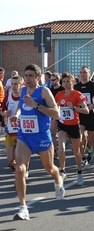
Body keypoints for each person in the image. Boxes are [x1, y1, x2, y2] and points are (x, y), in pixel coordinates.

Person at [12, 64, 65, 220]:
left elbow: (56, 114)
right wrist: (16, 115)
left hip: (41, 136)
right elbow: (21, 107)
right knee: (20, 169)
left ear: (38, 77)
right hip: (24, 136)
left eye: (30, 76)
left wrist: (37, 105)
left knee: (49, 169)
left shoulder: (44, 91)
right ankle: (23, 208)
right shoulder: (22, 91)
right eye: (26, 75)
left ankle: (58, 179)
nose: (27, 79)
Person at [55, 73, 89, 185]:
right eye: (64, 81)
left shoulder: (77, 94)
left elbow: (86, 110)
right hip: (63, 125)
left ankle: (79, 172)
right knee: (61, 149)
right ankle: (63, 171)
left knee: (77, 152)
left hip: (74, 125)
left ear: (73, 82)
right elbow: (55, 108)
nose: (66, 83)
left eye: (68, 81)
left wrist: (74, 108)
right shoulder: (59, 94)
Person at [74, 66, 94, 173]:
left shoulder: (93, 85)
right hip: (80, 115)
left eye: (85, 72)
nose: (82, 74)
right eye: (81, 72)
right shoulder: (76, 87)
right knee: (81, 139)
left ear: (89, 74)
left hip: (91, 116)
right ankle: (83, 159)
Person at [1, 75, 23, 171]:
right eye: (12, 84)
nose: (13, 86)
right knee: (10, 160)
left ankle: (20, 176)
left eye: (16, 84)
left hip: (21, 132)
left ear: (21, 85)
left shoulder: (24, 97)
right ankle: (20, 173)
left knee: (19, 158)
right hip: (10, 131)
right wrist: (4, 113)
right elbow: (1, 110)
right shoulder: (7, 97)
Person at [49, 73, 64, 158]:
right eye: (51, 80)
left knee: (66, 132)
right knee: (53, 133)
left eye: (53, 80)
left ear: (58, 80)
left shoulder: (62, 89)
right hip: (54, 113)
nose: (52, 81)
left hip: (63, 113)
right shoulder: (50, 90)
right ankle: (55, 150)